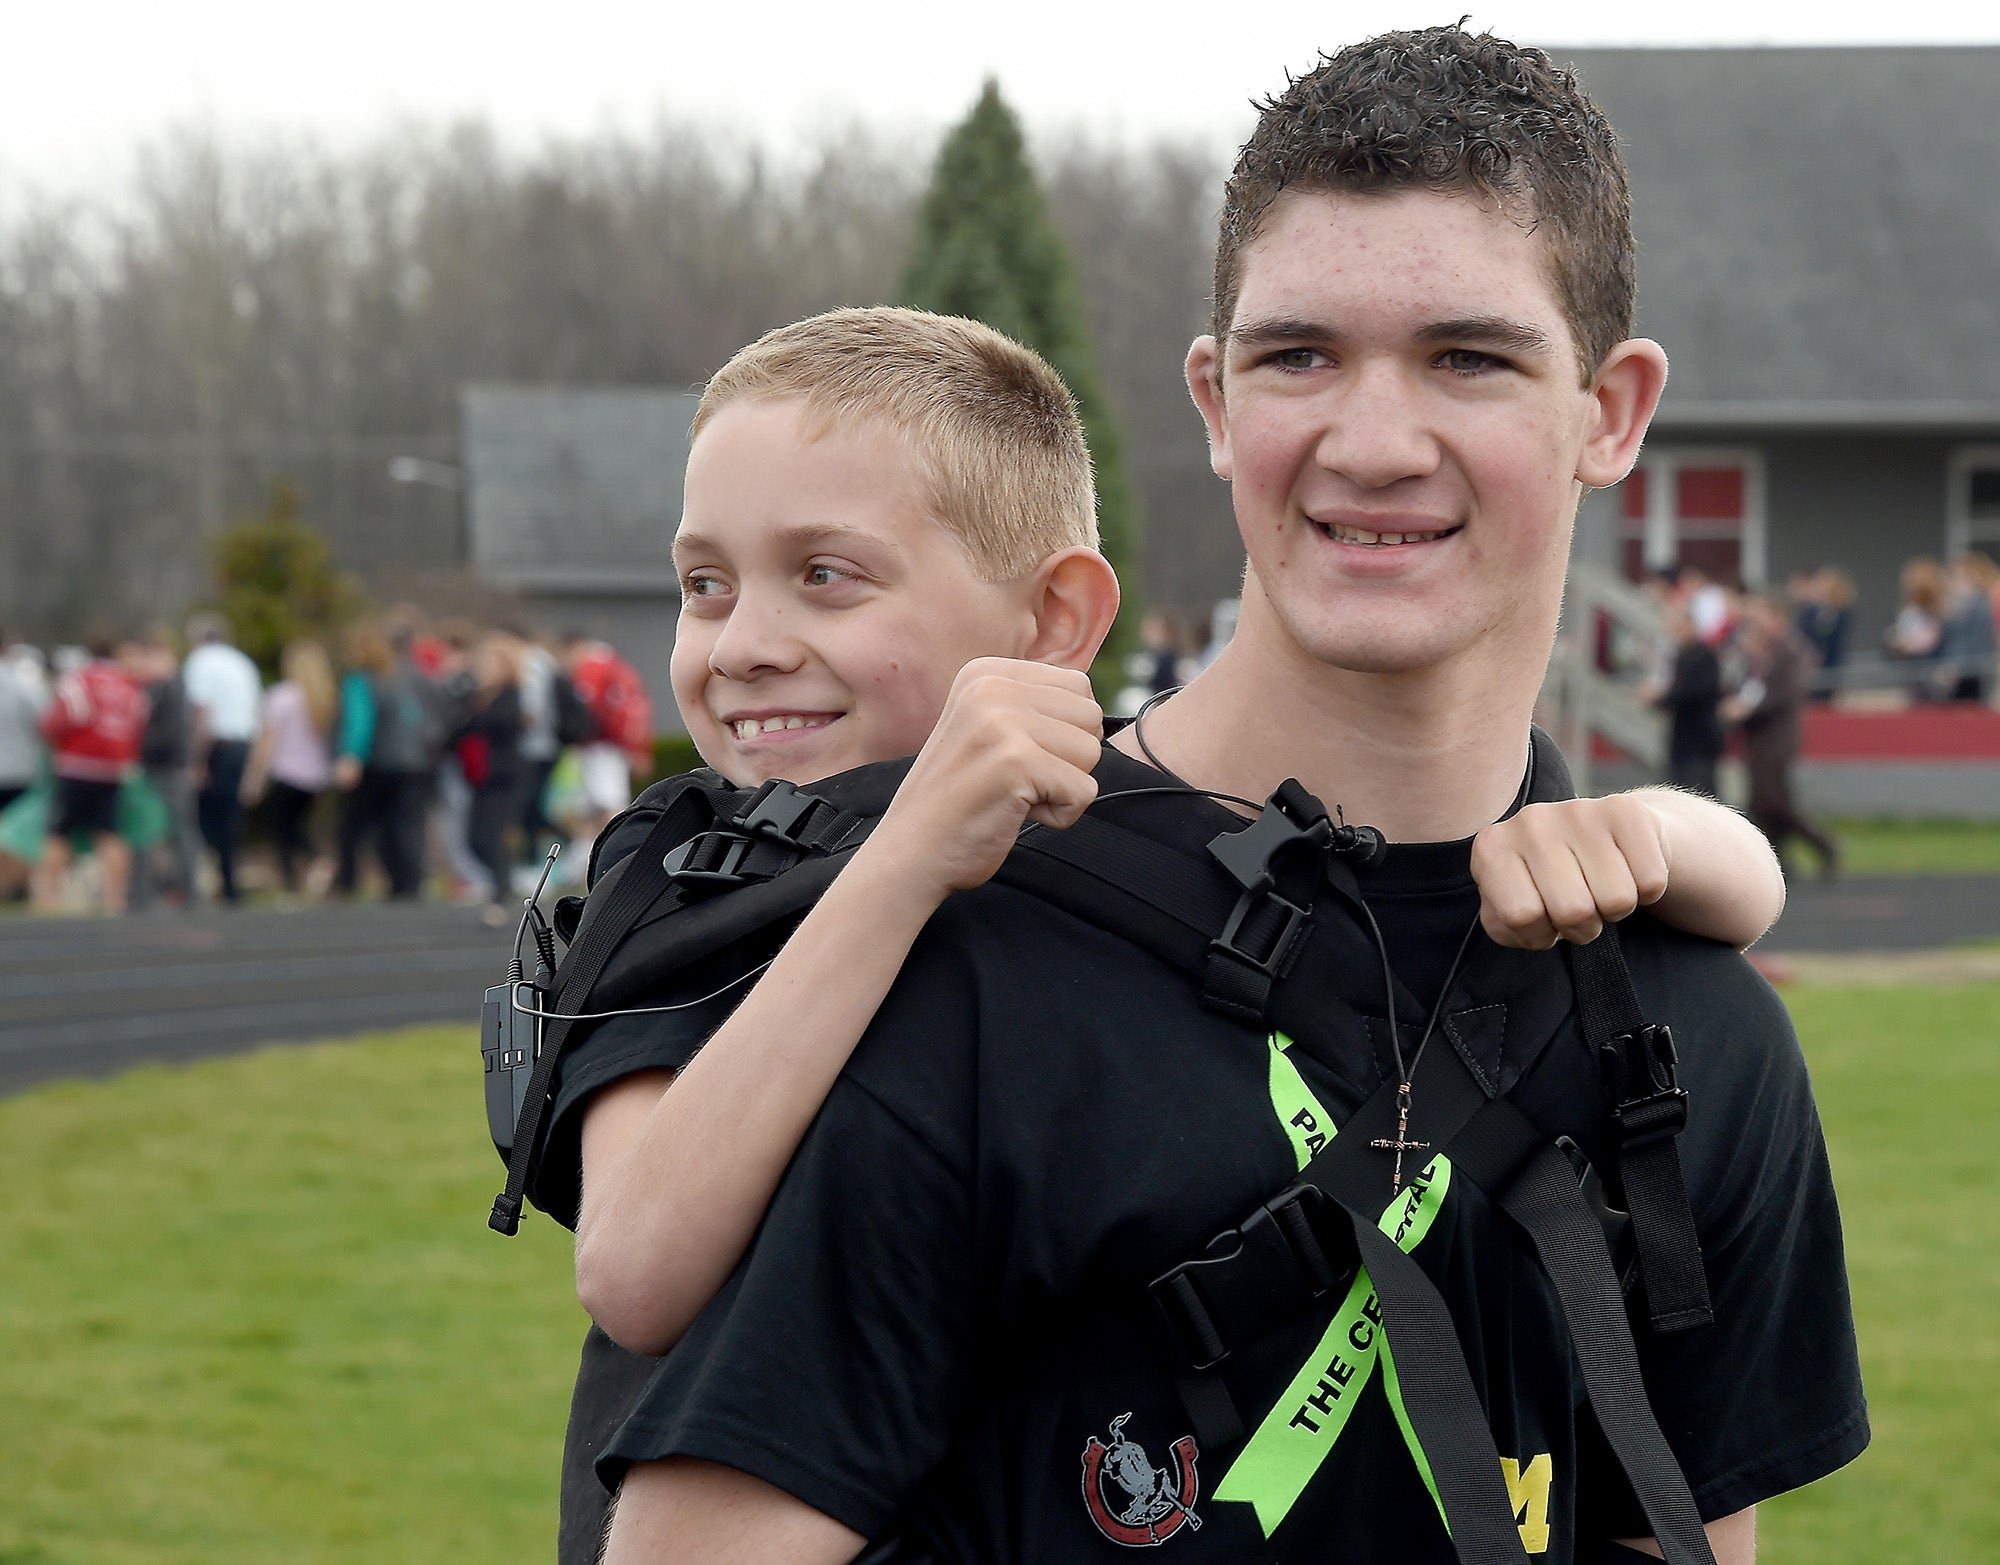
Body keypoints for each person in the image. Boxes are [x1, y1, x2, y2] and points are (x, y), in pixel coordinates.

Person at [586, 34, 1865, 1565]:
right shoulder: (955, 946)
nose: (1373, 443)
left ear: (1610, 410)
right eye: (1297, 355)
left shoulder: (1688, 1031)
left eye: (1469, 356)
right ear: (1211, 397)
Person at [35, 634, 146, 914]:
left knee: (58, 834)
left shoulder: (79, 681)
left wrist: (50, 740)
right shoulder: (128, 686)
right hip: (114, 769)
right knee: (110, 834)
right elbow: (139, 724)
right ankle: (115, 901)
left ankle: (48, 900)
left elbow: (58, 720)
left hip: (76, 766)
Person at [242, 639, 336, 895]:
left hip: (287, 773)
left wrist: (255, 778)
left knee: (281, 829)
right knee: (297, 826)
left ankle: (293, 877)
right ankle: (313, 864)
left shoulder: (282, 697)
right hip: (316, 775)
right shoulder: (323, 698)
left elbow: (267, 740)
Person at [182, 612, 263, 904]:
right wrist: (255, 771)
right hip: (242, 745)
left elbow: (202, 714)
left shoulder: (200, 662)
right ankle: (230, 884)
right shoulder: (243, 663)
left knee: (202, 818)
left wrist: (197, 759)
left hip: (216, 746)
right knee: (230, 817)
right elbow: (257, 716)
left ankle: (197, 884)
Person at [452, 631, 525, 925]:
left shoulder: (510, 696)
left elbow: (500, 724)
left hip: (503, 777)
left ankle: (499, 894)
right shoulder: (477, 696)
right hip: (480, 776)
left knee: (492, 836)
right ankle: (502, 882)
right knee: (474, 838)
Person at [127, 631, 198, 910]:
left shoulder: (168, 688)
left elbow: (168, 734)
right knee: (150, 834)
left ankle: (185, 892)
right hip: (160, 769)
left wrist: (137, 751)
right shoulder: (156, 689)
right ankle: (146, 893)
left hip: (166, 769)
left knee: (176, 832)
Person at [1642, 603, 1725, 797]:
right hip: (1683, 738)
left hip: (1700, 737)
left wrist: (1660, 697)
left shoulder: (1704, 656)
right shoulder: (1682, 655)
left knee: (1700, 790)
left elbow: (1692, 693)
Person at [1934, 554, 1997, 703]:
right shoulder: (1953, 606)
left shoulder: (1980, 606)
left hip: (1971, 672)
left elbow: (1978, 641)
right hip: (1958, 671)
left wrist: (1957, 667)